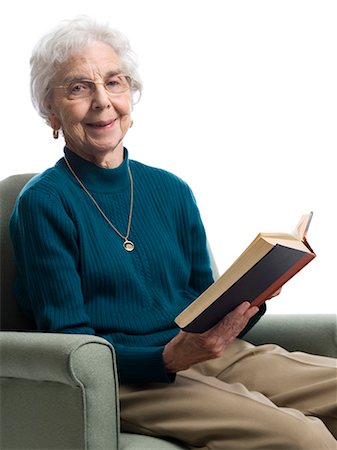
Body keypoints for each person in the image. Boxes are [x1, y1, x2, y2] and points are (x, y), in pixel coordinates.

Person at [10, 16, 336, 450]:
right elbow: (71, 343)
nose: (102, 102)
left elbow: (203, 301)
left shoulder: (171, 189)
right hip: (125, 380)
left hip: (207, 357)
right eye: (78, 88)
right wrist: (165, 358)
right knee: (304, 437)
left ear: (132, 93)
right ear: (51, 110)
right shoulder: (44, 203)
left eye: (114, 82)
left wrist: (252, 295)